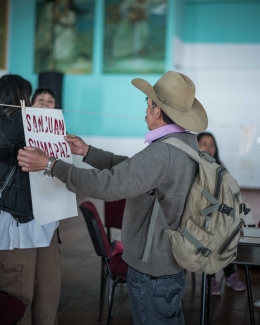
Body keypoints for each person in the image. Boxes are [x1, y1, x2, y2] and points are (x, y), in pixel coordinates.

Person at [18, 70, 208, 325]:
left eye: (149, 105)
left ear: (158, 112)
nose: (146, 111)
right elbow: (132, 169)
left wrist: (52, 164)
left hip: (153, 271)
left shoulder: (163, 153)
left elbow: (108, 186)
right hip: (167, 266)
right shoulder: (183, 143)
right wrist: (88, 152)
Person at [0, 74, 61, 325]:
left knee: (46, 289)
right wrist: (25, 116)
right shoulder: (12, 125)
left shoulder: (31, 127)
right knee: (18, 292)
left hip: (44, 220)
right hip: (16, 222)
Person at [197, 132, 245, 295]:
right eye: (203, 143)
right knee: (210, 234)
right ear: (195, 146)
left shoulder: (220, 166)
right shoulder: (192, 165)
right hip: (196, 219)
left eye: (211, 144)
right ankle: (211, 277)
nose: (208, 148)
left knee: (226, 231)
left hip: (215, 215)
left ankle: (228, 274)